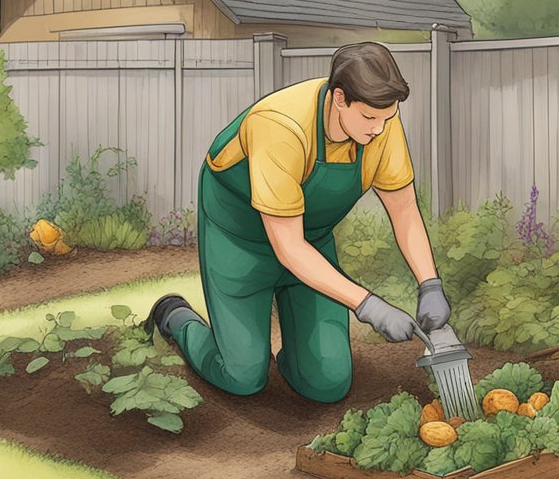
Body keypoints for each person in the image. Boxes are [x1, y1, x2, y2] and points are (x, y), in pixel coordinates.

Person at [143, 42, 448, 403]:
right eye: (369, 118)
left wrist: (430, 284)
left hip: (311, 238)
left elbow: (404, 209)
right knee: (242, 376)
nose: (380, 129)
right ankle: (175, 316)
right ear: (339, 98)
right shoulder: (280, 126)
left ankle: (300, 351)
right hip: (239, 235)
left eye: (387, 117)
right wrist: (369, 306)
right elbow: (288, 248)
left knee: (327, 383)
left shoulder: (380, 122)